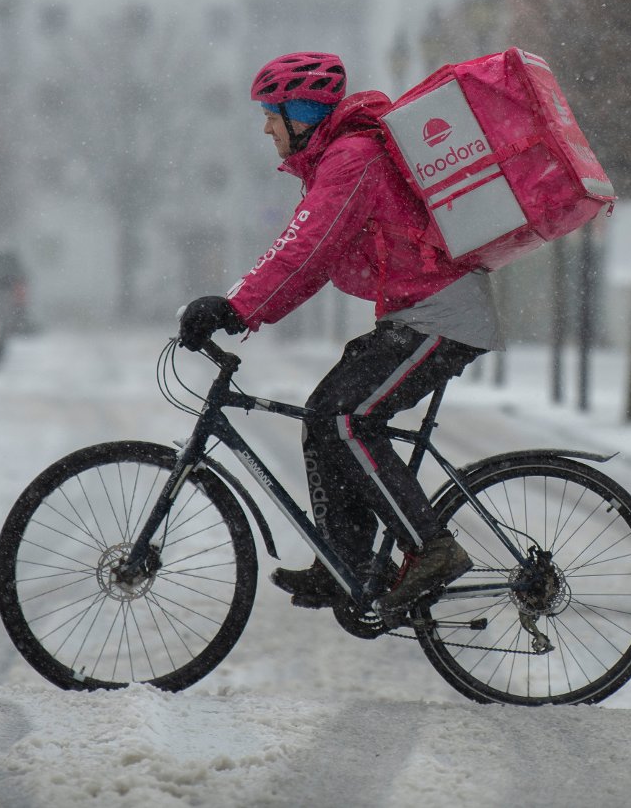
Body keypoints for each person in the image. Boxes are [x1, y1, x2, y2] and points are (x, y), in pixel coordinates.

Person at [177, 51, 503, 617]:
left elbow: (306, 249)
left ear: (300, 114)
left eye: (271, 115)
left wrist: (236, 307)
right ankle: (344, 561)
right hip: (417, 314)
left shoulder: (353, 158)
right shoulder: (341, 159)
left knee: (347, 419)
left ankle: (432, 548)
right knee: (323, 414)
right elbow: (314, 261)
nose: (266, 129)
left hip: (441, 315)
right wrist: (244, 309)